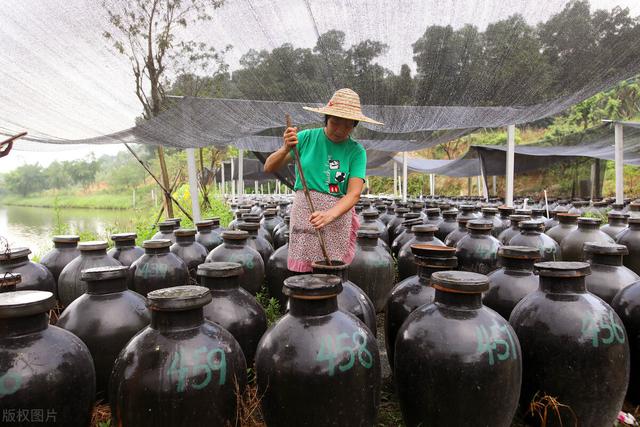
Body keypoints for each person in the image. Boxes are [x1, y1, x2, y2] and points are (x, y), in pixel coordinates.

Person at [264, 88, 383, 272]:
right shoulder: (305, 138)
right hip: (306, 213)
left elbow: (354, 194)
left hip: (337, 216)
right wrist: (285, 148)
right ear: (327, 118)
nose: (340, 130)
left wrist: (330, 215)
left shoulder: (356, 151)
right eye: (335, 122)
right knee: (303, 275)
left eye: (348, 125)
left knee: (330, 273)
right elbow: (269, 167)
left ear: (354, 125)